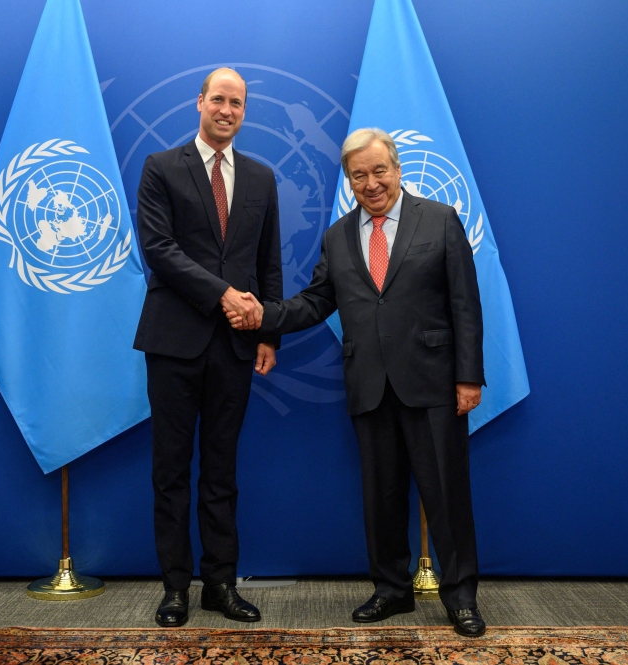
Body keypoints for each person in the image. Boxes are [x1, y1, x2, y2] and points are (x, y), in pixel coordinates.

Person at [227, 128, 487, 637]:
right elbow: (315, 302)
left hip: (433, 384)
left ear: (397, 168)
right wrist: (264, 316)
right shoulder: (339, 236)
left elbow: (466, 306)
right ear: (349, 181)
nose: (371, 184)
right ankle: (392, 590)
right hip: (369, 384)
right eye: (358, 175)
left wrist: (468, 377)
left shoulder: (439, 219)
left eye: (379, 171)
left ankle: (461, 597)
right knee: (381, 496)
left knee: (446, 497)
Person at [133, 67, 282, 628]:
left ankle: (220, 584)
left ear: (244, 112)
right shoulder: (160, 167)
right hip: (173, 342)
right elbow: (160, 250)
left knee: (222, 470)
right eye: (218, 99)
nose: (227, 109)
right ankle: (176, 588)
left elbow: (269, 262)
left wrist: (269, 331)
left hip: (239, 346)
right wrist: (222, 294)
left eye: (237, 103)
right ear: (199, 103)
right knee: (170, 469)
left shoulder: (262, 178)